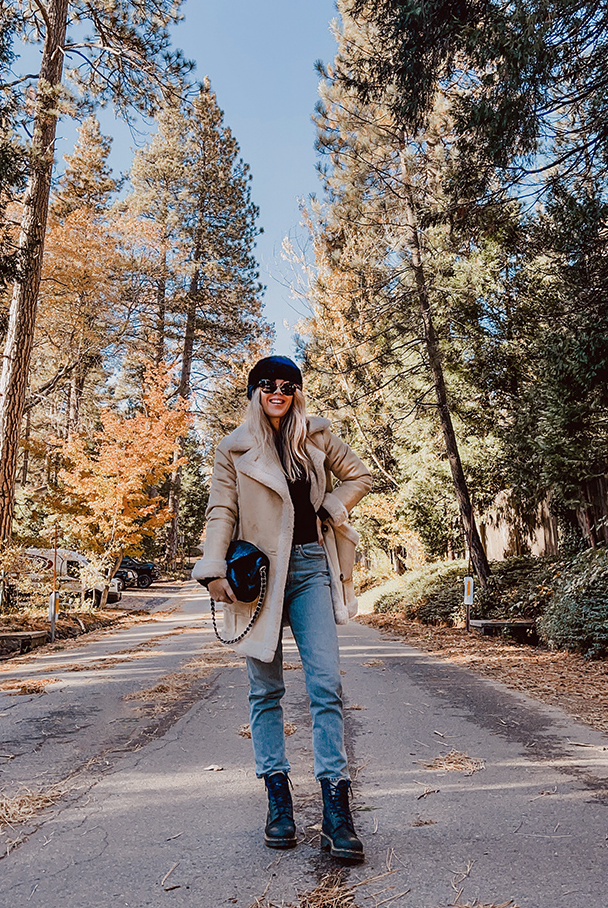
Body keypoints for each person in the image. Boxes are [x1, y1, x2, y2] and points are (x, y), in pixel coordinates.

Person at [192, 356, 372, 862]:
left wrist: (332, 507)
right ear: (254, 392)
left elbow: (358, 475)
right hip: (259, 575)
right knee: (265, 690)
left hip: (312, 566)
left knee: (325, 684)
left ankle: (337, 808)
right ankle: (278, 801)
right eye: (268, 385)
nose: (279, 392)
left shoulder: (314, 436)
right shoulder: (233, 448)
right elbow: (222, 510)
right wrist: (212, 569)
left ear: (297, 392)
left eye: (288, 385)